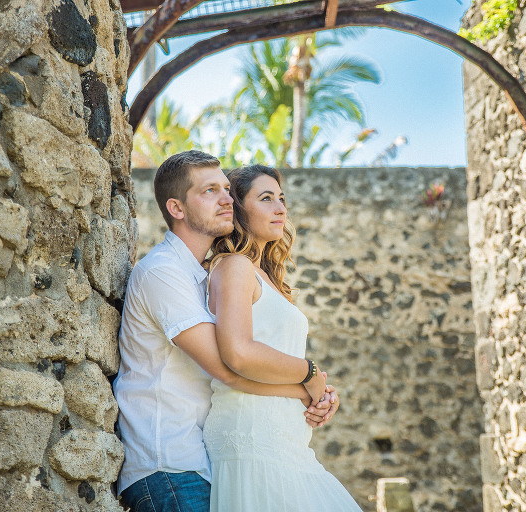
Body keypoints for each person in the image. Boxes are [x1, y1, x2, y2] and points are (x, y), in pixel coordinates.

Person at [113, 151, 339, 512]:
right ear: (177, 208)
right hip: (168, 465)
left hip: (200, 462)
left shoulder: (203, 275)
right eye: (209, 191)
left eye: (226, 189)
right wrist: (307, 383)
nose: (226, 199)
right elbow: (227, 366)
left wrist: (312, 391)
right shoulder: (162, 271)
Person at [203, 164, 362, 511]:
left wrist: (316, 393)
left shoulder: (266, 276)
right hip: (251, 439)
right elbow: (239, 354)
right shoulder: (233, 266)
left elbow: (277, 358)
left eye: (281, 199)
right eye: (266, 198)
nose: (280, 208)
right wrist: (309, 373)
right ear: (239, 209)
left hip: (286, 443)